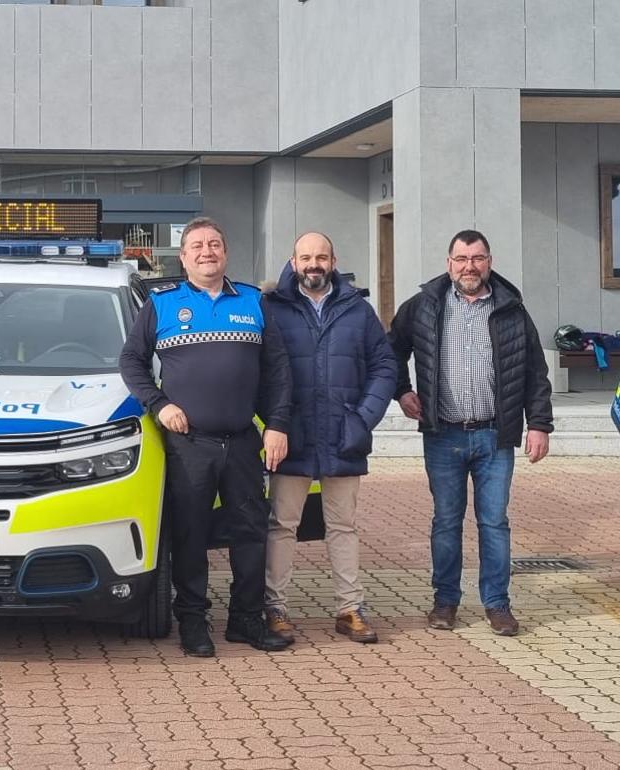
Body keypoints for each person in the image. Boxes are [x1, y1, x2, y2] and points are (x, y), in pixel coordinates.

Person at [119, 216, 294, 657]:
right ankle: (193, 622)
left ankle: (246, 621)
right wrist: (159, 405)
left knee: (251, 533)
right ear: (183, 257)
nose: (206, 252)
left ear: (226, 252)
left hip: (241, 441)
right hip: (188, 444)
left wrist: (277, 424)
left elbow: (278, 371)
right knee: (191, 536)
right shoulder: (162, 304)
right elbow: (131, 362)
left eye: (214, 244)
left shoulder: (255, 303)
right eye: (196, 246)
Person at [388, 229, 553, 636]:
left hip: (495, 437)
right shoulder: (425, 306)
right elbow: (391, 350)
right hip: (443, 434)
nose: (469, 267)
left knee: (494, 522)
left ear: (489, 261)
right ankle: (445, 602)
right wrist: (403, 392)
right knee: (446, 521)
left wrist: (540, 425)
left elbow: (535, 371)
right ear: (448, 263)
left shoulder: (511, 309)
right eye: (461, 259)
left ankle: (497, 604)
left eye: (477, 258)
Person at [262, 232, 396, 644]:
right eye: (306, 257)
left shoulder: (358, 309)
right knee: (282, 524)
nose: (314, 264)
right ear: (293, 260)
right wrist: (271, 423)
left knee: (343, 525)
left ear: (333, 260)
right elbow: (259, 369)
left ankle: (349, 609)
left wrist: (363, 418)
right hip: (291, 434)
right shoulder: (272, 308)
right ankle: (274, 607)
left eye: (321, 257)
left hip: (343, 434)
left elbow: (384, 366)